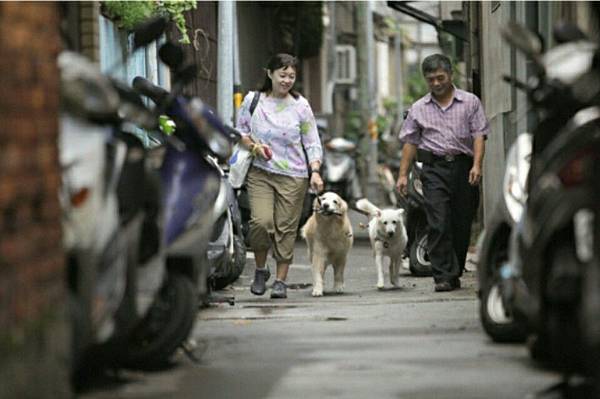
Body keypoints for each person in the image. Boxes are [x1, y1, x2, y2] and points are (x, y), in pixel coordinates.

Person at [396, 53, 489, 292]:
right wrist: (402, 175)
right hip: (434, 169)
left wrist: (477, 165)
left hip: (463, 168)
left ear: (450, 75)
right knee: (437, 221)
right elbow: (410, 142)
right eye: (431, 79)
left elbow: (479, 135)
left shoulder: (470, 102)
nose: (436, 83)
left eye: (440, 77)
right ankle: (443, 276)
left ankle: (454, 269)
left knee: (461, 222)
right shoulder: (418, 108)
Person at [236, 53, 324, 299]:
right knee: (261, 223)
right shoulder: (253, 101)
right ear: (270, 73)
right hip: (260, 172)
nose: (287, 80)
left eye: (291, 76)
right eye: (282, 75)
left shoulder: (301, 106)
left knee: (286, 229)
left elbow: (311, 141)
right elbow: (240, 132)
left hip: (294, 175)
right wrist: (254, 147)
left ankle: (280, 281)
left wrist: (315, 171)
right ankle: (261, 269)